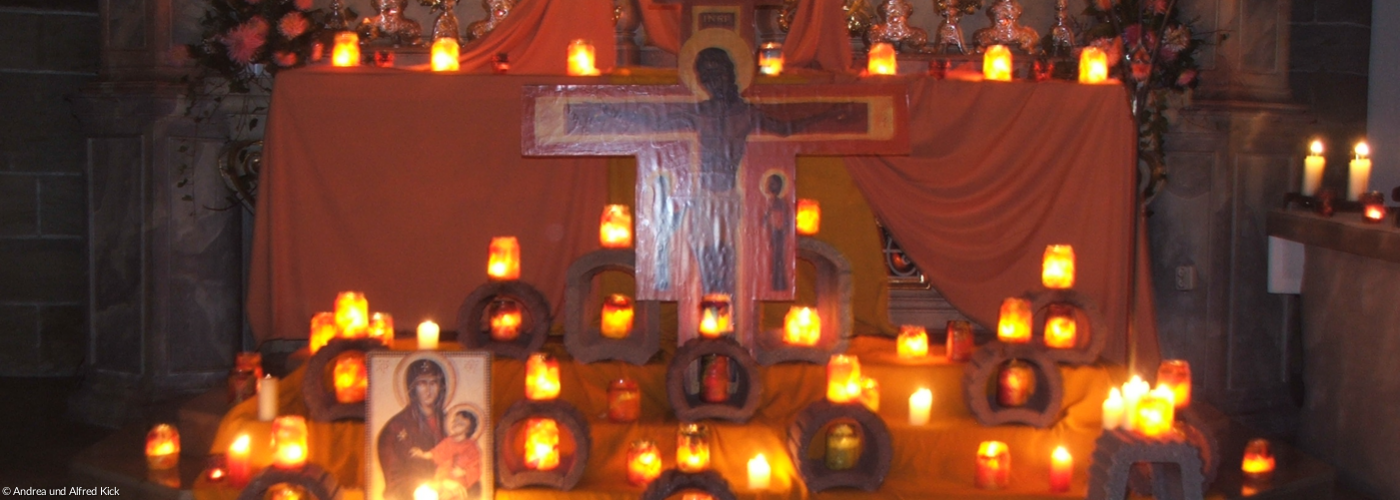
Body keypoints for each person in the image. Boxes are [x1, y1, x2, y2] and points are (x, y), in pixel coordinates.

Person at [378, 359, 447, 500]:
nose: (429, 390)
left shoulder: (453, 423)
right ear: (412, 388)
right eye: (422, 383)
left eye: (434, 382)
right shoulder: (396, 427)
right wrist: (437, 485)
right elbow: (394, 481)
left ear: (441, 386)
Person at [411, 408, 482, 500]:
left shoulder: (471, 447)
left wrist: (464, 472)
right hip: (442, 478)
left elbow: (476, 467)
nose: (456, 424)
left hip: (459, 482)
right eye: (455, 421)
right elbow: (436, 453)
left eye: (461, 424)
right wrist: (423, 454)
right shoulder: (447, 442)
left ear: (468, 429)